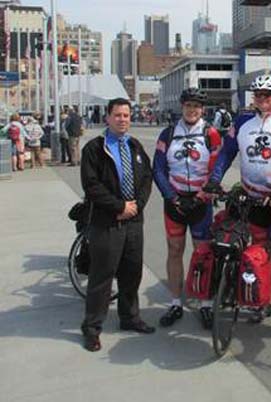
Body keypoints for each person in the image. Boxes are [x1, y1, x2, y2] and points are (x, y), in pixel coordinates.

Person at [204, 74, 271, 342]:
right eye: (258, 95)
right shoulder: (241, 122)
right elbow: (226, 153)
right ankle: (264, 302)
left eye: (268, 95)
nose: (263, 99)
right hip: (252, 200)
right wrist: (215, 180)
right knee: (257, 253)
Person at [80, 97, 154, 352]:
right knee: (102, 277)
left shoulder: (134, 146)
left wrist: (136, 206)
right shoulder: (95, 149)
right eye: (118, 115)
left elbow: (146, 178)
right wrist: (119, 207)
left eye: (126, 115)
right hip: (107, 222)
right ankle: (92, 328)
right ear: (108, 118)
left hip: (134, 222)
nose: (123, 119)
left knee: (132, 273)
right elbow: (91, 186)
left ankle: (129, 317)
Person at [153, 87, 222, 329]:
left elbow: (217, 168)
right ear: (181, 107)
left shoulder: (211, 133)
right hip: (175, 201)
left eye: (196, 106)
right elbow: (158, 169)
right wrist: (172, 197)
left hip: (201, 201)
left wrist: (204, 193)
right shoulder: (168, 133)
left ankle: (204, 302)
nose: (192, 110)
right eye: (188, 105)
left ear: (202, 109)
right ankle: (175, 302)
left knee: (202, 252)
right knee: (174, 250)